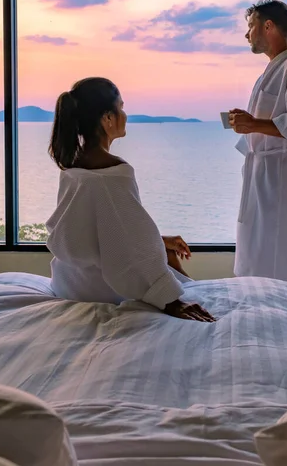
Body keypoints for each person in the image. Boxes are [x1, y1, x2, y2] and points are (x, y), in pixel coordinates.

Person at [46, 77, 215, 322]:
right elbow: (133, 252)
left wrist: (159, 240)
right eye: (121, 107)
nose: (125, 115)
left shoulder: (73, 164)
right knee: (169, 268)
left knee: (164, 255)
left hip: (68, 282)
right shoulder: (115, 172)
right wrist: (171, 301)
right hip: (100, 289)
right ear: (107, 118)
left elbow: (98, 230)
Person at [229, 0, 287, 285]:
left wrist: (253, 124)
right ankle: (255, 309)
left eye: (251, 26)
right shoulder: (271, 71)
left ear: (268, 26)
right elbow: (271, 123)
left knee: (278, 252)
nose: (247, 34)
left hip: (281, 174)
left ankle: (282, 316)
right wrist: (247, 123)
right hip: (261, 172)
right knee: (255, 249)